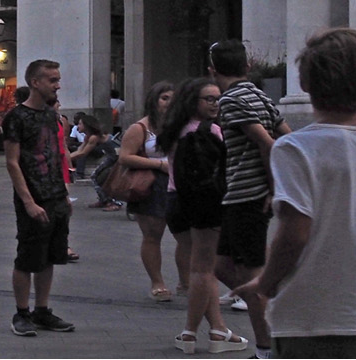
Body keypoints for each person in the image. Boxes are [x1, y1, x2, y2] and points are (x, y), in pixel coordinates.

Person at [236, 28, 356, 359]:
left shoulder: (294, 148)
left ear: (306, 83)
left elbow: (294, 233)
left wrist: (266, 283)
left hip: (309, 313)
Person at [210, 39, 290, 356]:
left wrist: (272, 189)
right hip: (237, 197)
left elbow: (268, 143)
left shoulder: (230, 101)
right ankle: (272, 299)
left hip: (248, 195)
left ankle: (267, 349)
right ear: (247, 66)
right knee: (220, 266)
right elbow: (286, 135)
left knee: (250, 277)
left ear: (212, 70)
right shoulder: (259, 95)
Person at [160, 77, 248, 354]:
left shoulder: (174, 129)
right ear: (193, 102)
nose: (216, 103)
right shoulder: (210, 131)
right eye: (209, 99)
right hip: (205, 203)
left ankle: (218, 328)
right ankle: (190, 333)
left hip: (175, 200)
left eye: (218, 98)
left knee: (201, 269)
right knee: (203, 270)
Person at [3, 59, 76, 336]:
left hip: (55, 195)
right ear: (36, 82)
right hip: (33, 197)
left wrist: (64, 193)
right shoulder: (17, 117)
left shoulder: (50, 115)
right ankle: (21, 313)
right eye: (52, 80)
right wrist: (28, 201)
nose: (57, 85)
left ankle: (42, 311)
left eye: (57, 79)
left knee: (50, 257)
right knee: (27, 256)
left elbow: (56, 155)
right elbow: (12, 162)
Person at [118, 81, 186, 302]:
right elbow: (124, 157)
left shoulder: (180, 125)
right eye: (164, 98)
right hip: (151, 184)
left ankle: (185, 282)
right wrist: (158, 165)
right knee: (152, 236)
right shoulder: (141, 128)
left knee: (186, 237)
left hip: (181, 183)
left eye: (172, 99)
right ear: (154, 101)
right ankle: (157, 282)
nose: (169, 103)